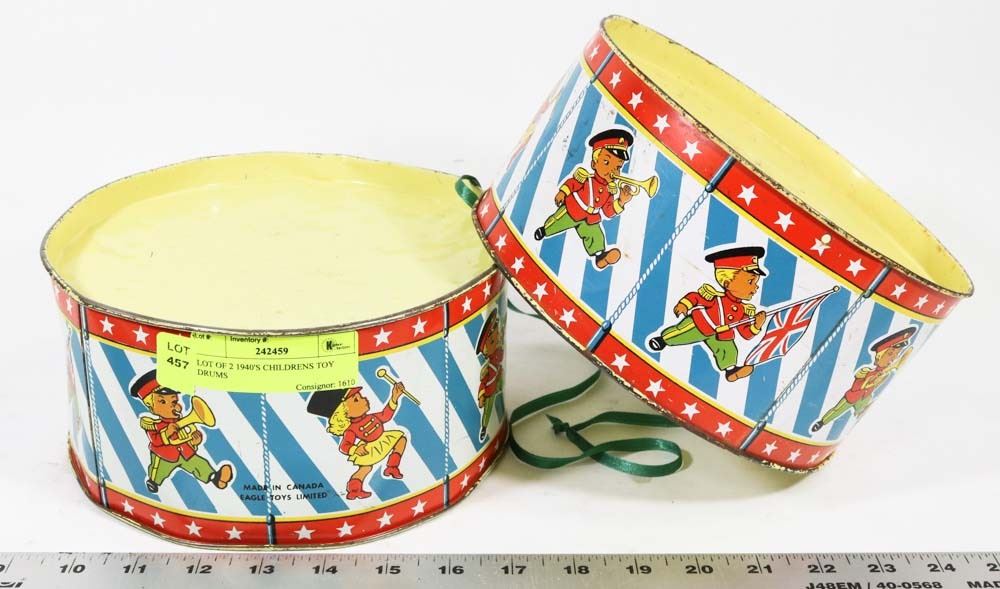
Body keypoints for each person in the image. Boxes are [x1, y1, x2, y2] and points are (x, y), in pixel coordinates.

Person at [648, 246, 768, 382]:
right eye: (750, 281)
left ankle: (731, 370)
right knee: (679, 333)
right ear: (727, 283)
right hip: (699, 324)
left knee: (729, 350)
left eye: (756, 282)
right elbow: (695, 297)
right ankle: (662, 340)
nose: (756, 287)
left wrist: (757, 326)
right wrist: (684, 305)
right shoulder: (714, 297)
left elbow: (745, 333)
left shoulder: (743, 310)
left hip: (720, 335)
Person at [533, 128, 640, 269]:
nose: (612, 171)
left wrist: (621, 201)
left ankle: (600, 256)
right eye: (606, 162)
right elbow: (572, 183)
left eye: (618, 167)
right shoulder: (585, 178)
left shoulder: (610, 190)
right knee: (557, 222)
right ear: (594, 164)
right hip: (573, 209)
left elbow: (607, 211)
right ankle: (544, 231)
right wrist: (562, 193)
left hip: (590, 218)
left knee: (596, 235)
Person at [130, 370, 233, 493]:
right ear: (151, 407)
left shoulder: (181, 420)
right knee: (159, 471)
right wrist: (166, 433)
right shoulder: (153, 425)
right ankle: (153, 482)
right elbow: (155, 440)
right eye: (163, 402)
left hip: (184, 452)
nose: (173, 405)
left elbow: (190, 431)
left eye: (174, 401)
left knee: (199, 463)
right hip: (164, 456)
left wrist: (195, 440)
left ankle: (215, 478)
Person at [307, 383, 408, 500]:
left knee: (401, 440)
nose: (364, 399)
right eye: (356, 400)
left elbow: (385, 416)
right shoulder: (350, 430)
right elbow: (344, 446)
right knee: (365, 468)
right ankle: (354, 490)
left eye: (360, 396)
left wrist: (394, 398)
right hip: (368, 449)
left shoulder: (372, 417)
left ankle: (392, 467)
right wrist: (355, 449)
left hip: (384, 439)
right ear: (344, 412)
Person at [811, 327, 916, 432]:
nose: (893, 358)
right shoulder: (865, 371)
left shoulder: (885, 373)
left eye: (896, 354)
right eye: (890, 354)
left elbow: (878, 384)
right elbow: (862, 384)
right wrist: (873, 378)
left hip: (865, 398)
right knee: (837, 410)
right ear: (879, 356)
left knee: (859, 412)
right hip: (852, 397)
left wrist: (882, 376)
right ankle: (822, 422)